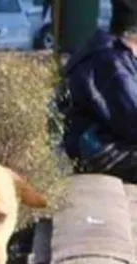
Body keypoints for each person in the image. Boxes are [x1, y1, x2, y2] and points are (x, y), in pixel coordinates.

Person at [61, 0, 137, 182]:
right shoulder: (112, 61)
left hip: (109, 146)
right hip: (102, 152)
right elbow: (132, 121)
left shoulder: (115, 55)